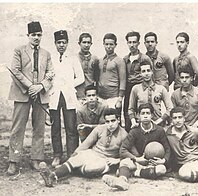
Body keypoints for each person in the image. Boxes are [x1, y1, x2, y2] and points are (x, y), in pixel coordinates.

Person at [7, 21, 54, 175]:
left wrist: (40, 86)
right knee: (18, 128)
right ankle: (14, 161)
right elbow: (15, 71)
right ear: (28, 36)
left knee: (39, 128)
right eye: (33, 35)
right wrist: (30, 87)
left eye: (39, 35)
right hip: (22, 94)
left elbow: (50, 73)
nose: (36, 37)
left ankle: (36, 158)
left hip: (40, 94)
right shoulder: (19, 51)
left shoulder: (46, 54)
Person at [40, 108, 127, 187]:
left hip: (106, 159)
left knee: (92, 169)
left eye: (113, 121)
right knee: (77, 158)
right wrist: (74, 156)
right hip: (93, 153)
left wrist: (117, 160)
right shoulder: (100, 129)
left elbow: (130, 154)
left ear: (118, 120)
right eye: (107, 122)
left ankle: (66, 169)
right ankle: (52, 176)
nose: (110, 124)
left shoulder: (124, 134)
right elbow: (85, 144)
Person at [102, 103, 171, 191]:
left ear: (152, 115)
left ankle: (134, 173)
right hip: (137, 162)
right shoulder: (134, 131)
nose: (145, 116)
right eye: (143, 113)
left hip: (152, 163)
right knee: (124, 162)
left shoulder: (159, 130)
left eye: (148, 113)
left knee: (162, 169)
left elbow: (168, 149)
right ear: (138, 116)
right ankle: (122, 180)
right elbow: (123, 150)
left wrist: (163, 160)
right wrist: (136, 159)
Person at [49, 30, 84, 167]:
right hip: (54, 95)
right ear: (55, 43)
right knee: (55, 127)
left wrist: (70, 85)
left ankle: (71, 154)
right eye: (59, 43)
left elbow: (80, 77)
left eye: (64, 42)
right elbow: (48, 76)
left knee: (71, 127)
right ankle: (57, 155)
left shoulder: (73, 58)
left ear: (67, 43)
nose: (61, 45)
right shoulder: (51, 58)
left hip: (69, 95)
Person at [128, 60, 173, 128]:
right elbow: (131, 109)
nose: (146, 73)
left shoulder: (161, 88)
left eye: (148, 70)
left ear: (152, 72)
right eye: (143, 71)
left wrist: (160, 120)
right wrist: (133, 122)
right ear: (140, 73)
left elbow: (170, 108)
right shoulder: (136, 89)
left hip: (158, 125)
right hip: (141, 124)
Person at [123, 31, 152, 132]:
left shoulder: (144, 58)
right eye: (129, 42)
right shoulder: (125, 59)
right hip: (128, 88)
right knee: (128, 112)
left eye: (134, 42)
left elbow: (150, 74)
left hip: (141, 87)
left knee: (142, 112)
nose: (132, 45)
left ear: (138, 43)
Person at [97, 33, 126, 116]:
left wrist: (120, 98)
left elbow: (123, 80)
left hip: (113, 97)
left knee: (114, 119)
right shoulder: (100, 60)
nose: (108, 46)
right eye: (106, 44)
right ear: (103, 44)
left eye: (111, 44)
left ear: (115, 45)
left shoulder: (119, 61)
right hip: (101, 96)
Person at [76, 33, 99, 103]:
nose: (86, 45)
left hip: (90, 93)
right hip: (78, 93)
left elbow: (97, 79)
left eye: (88, 42)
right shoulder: (75, 58)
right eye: (84, 42)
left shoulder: (94, 59)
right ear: (79, 43)